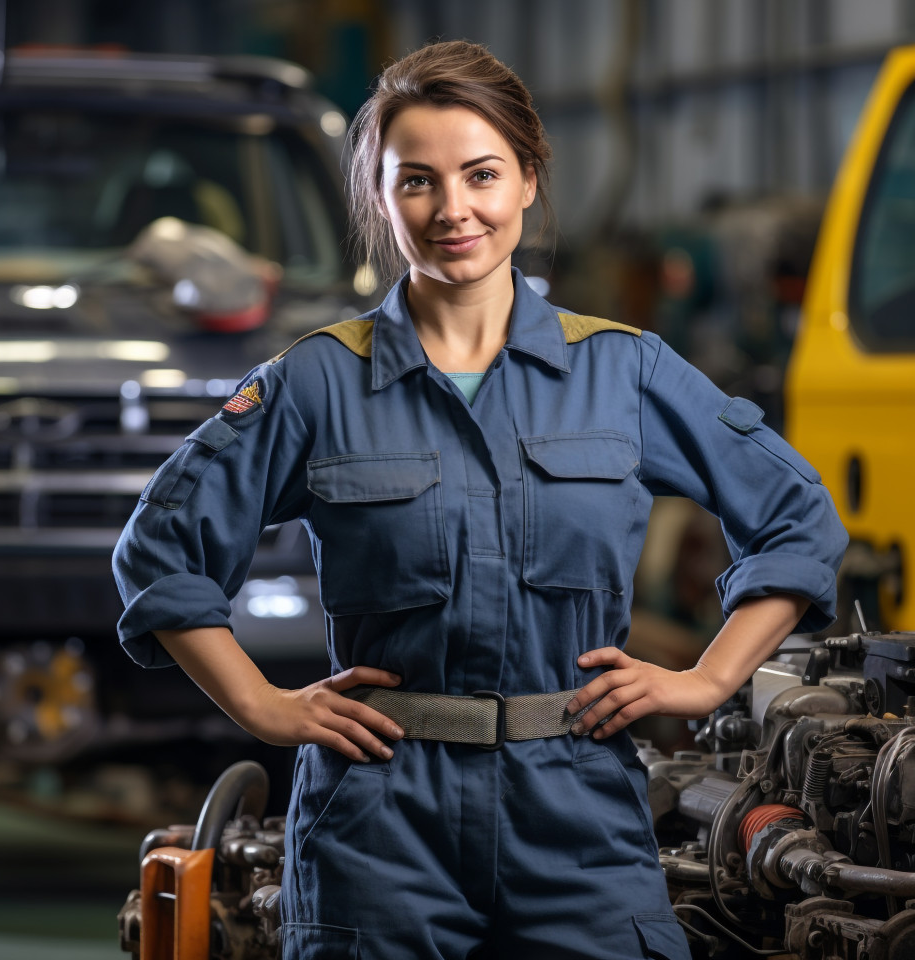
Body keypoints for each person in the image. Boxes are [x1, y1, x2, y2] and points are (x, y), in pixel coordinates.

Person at [113, 39, 848, 960]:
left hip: (578, 808)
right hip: (380, 817)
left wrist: (705, 679)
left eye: (481, 174)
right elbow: (161, 549)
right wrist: (265, 706)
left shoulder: (623, 371)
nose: (452, 209)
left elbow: (797, 517)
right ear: (379, 198)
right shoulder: (315, 385)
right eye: (415, 181)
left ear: (530, 179)